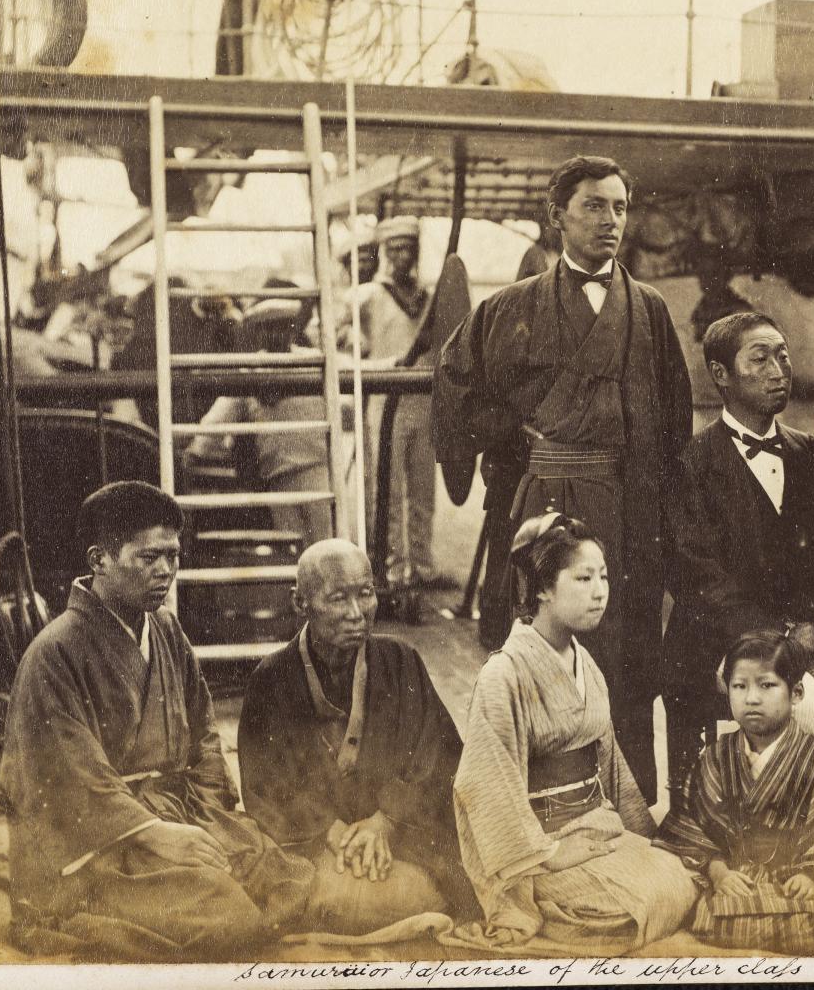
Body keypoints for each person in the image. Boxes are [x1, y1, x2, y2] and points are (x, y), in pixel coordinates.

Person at [433, 154, 693, 801]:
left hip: (623, 511)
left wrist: (654, 507)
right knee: (538, 649)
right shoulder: (510, 307)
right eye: (593, 206)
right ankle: (536, 803)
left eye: (619, 207)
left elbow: (675, 417)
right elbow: (458, 386)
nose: (610, 221)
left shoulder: (649, 310)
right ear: (557, 216)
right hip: (540, 504)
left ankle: (627, 811)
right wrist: (511, 438)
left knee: (624, 653)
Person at [0, 482, 319, 959]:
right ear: (99, 559)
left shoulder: (166, 628)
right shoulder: (54, 653)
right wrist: (156, 834)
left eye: (173, 555)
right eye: (148, 558)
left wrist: (208, 817)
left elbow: (204, 735)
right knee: (230, 916)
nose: (165, 571)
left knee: (287, 883)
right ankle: (80, 912)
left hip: (179, 812)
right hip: (101, 842)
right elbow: (71, 778)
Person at [451, 514, 697, 949]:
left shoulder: (587, 665)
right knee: (634, 906)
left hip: (593, 830)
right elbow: (485, 783)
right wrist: (549, 854)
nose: (600, 591)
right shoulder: (504, 674)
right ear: (543, 588)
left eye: (603, 576)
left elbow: (610, 766)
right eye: (583, 578)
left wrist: (638, 833)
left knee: (679, 881)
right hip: (538, 849)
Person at [236, 538, 478, 933]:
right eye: (337, 599)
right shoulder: (271, 678)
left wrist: (384, 822)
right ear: (300, 603)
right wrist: (335, 833)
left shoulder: (401, 662)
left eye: (365, 594)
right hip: (316, 841)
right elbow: (264, 787)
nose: (356, 614)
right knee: (313, 895)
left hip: (401, 833)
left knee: (440, 884)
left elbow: (442, 756)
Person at [663, 312, 814, 801]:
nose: (778, 370)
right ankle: (763, 834)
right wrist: (784, 638)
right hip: (719, 641)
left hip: (802, 641)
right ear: (721, 375)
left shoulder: (806, 452)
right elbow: (700, 578)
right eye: (759, 358)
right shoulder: (692, 462)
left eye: (783, 356)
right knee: (799, 711)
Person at [654, 630, 814, 955]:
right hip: (733, 883)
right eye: (739, 686)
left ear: (797, 692)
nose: (752, 698)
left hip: (797, 887)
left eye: (767, 685)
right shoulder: (716, 758)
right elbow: (694, 832)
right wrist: (719, 874)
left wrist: (813, 879)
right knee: (705, 914)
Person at [186, 294, 334, 543]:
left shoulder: (313, 362)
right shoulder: (252, 370)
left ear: (292, 329)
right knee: (292, 545)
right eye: (268, 328)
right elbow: (221, 415)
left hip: (316, 469)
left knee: (326, 542)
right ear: (259, 333)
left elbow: (347, 381)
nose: (276, 335)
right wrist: (196, 448)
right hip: (278, 474)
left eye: (282, 327)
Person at [356, 215, 444, 592]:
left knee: (423, 488)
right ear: (385, 252)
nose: (401, 255)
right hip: (384, 399)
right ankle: (391, 567)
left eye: (408, 248)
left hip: (423, 401)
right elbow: (343, 348)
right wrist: (375, 364)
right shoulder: (368, 296)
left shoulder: (429, 299)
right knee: (386, 489)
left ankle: (422, 566)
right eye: (394, 249)